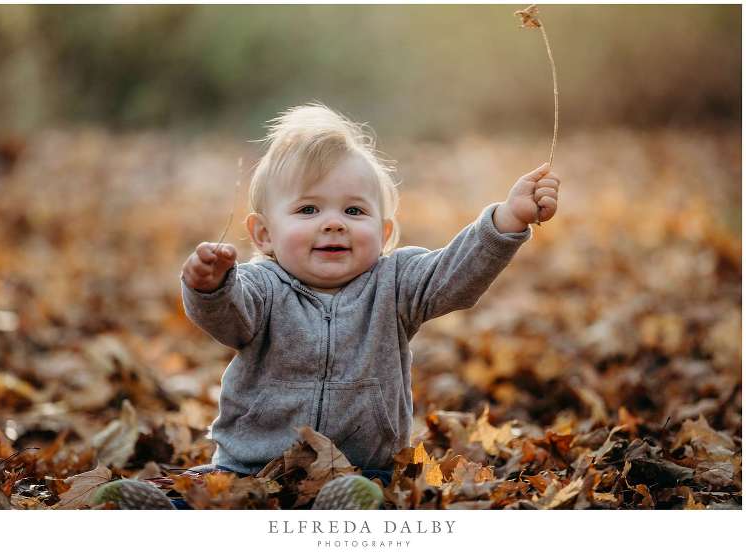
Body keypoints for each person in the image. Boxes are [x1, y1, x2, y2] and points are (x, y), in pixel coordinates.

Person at [180, 103, 560, 493]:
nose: (333, 222)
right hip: (251, 470)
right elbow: (228, 318)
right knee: (196, 496)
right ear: (264, 234)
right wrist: (211, 287)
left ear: (384, 233)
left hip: (363, 472)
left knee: (366, 500)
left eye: (354, 210)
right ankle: (133, 507)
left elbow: (454, 274)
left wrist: (508, 219)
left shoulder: (395, 285)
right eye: (308, 209)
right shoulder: (259, 287)